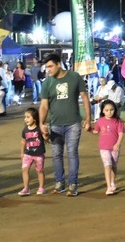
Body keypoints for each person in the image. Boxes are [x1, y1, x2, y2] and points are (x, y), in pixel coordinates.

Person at [37, 52, 91, 196]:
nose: (48, 70)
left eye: (50, 66)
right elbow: (44, 105)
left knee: (72, 153)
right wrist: (41, 123)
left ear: (58, 64)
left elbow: (85, 98)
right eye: (46, 67)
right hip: (54, 124)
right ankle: (59, 182)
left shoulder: (74, 77)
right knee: (56, 155)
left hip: (73, 123)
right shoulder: (47, 83)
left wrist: (88, 118)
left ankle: (73, 184)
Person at [91, 99, 125, 195]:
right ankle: (109, 186)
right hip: (104, 147)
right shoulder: (100, 121)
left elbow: (121, 134)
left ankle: (113, 182)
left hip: (114, 147)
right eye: (107, 110)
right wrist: (89, 129)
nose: (109, 112)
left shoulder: (118, 122)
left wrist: (117, 144)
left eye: (111, 110)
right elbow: (96, 131)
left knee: (113, 166)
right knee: (107, 165)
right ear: (102, 111)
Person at [19, 107, 46, 195]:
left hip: (38, 154)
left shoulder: (39, 129)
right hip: (28, 154)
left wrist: (46, 133)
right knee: (24, 169)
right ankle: (26, 188)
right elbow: (23, 141)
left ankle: (41, 187)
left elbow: (46, 139)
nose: (25, 119)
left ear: (34, 118)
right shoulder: (25, 130)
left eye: (28, 117)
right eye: (25, 117)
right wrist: (22, 153)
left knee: (39, 170)